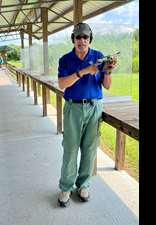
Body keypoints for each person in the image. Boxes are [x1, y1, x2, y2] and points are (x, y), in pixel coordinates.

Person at [57, 22, 117, 207]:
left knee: (90, 149)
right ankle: (66, 187)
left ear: (90, 39)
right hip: (73, 108)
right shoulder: (65, 59)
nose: (82, 40)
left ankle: (83, 185)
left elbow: (106, 86)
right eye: (78, 37)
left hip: (94, 107)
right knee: (70, 149)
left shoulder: (98, 56)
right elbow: (62, 84)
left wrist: (107, 71)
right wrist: (83, 71)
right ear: (73, 39)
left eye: (85, 37)